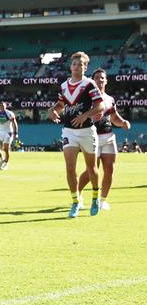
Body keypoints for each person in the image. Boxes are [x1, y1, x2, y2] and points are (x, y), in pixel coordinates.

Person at [48, 51, 105, 218]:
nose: (77, 66)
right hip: (69, 131)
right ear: (70, 66)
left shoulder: (89, 85)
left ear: (85, 67)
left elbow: (100, 106)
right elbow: (60, 104)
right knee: (70, 168)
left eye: (81, 64)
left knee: (91, 168)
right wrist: (53, 111)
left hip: (87, 131)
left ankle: (95, 196)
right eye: (74, 64)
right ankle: (75, 201)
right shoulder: (64, 86)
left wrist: (85, 115)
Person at [76, 68, 131, 211]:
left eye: (102, 78)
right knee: (91, 171)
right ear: (92, 80)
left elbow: (114, 118)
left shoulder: (110, 99)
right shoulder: (86, 99)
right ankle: (77, 195)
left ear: (106, 81)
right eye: (97, 78)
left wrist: (123, 122)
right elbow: (81, 117)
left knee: (109, 170)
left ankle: (103, 200)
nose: (100, 80)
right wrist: (91, 117)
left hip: (108, 137)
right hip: (92, 137)